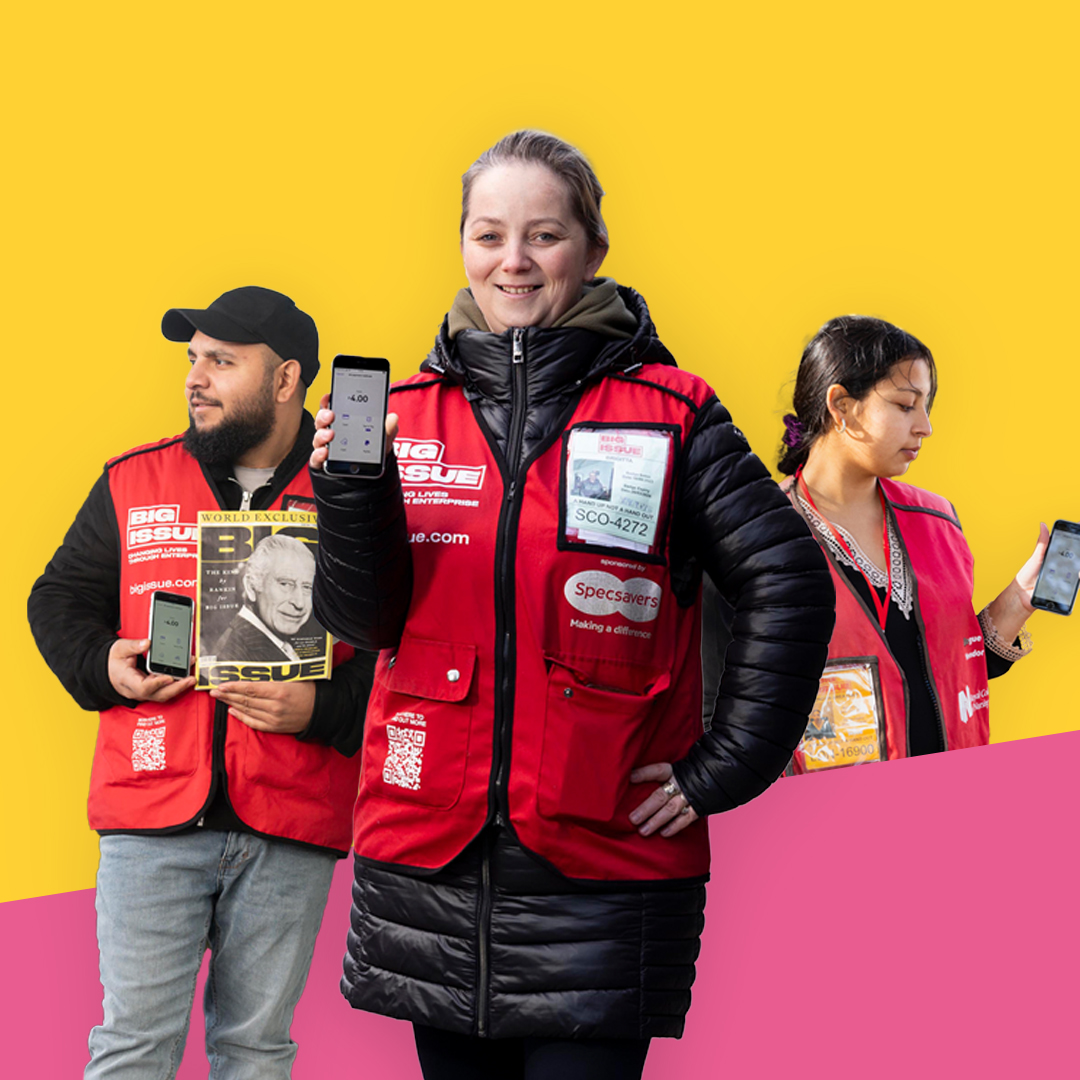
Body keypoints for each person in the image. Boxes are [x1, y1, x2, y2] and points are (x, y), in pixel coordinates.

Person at [308, 130, 836, 1080]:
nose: (511, 261)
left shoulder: (673, 413)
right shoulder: (404, 416)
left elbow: (787, 580)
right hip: (431, 858)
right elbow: (364, 621)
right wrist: (352, 495)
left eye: (543, 236)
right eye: (487, 235)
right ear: (462, 246)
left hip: (602, 867)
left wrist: (726, 767)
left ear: (592, 250)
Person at [27, 286, 374, 1080]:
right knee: (132, 1049)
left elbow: (399, 654)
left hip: (291, 820)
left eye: (222, 361)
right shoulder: (132, 479)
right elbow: (58, 600)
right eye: (193, 359)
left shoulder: (351, 499)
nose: (197, 378)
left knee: (254, 1054)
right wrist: (102, 664)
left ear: (286, 381)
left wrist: (321, 710)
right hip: (149, 809)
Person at [776, 315, 1050, 768]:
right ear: (841, 405)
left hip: (953, 807)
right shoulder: (761, 531)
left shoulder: (937, 520)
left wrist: (1020, 600)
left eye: (927, 407)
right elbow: (716, 697)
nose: (925, 426)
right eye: (906, 406)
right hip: (826, 820)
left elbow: (951, 670)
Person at [212, 534, 317, 663]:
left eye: (307, 587)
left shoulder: (274, 641)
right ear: (251, 587)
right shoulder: (233, 652)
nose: (299, 603)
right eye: (285, 584)